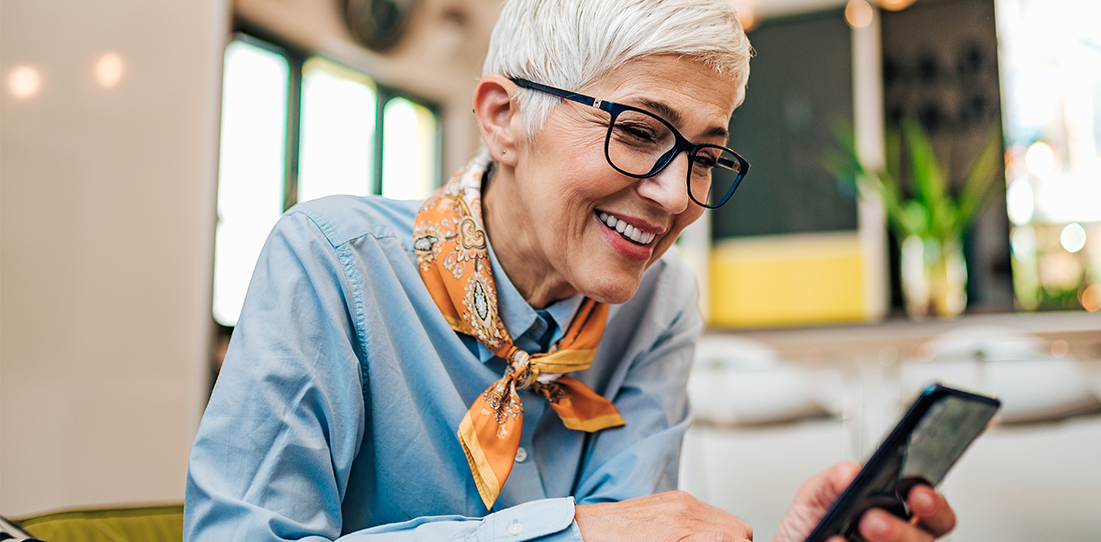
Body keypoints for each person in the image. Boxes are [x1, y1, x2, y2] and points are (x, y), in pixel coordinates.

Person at [184, 1, 957, 541]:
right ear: (503, 118)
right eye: (640, 130)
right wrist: (570, 532)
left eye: (705, 156)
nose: (674, 195)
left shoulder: (660, 303)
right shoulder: (329, 261)